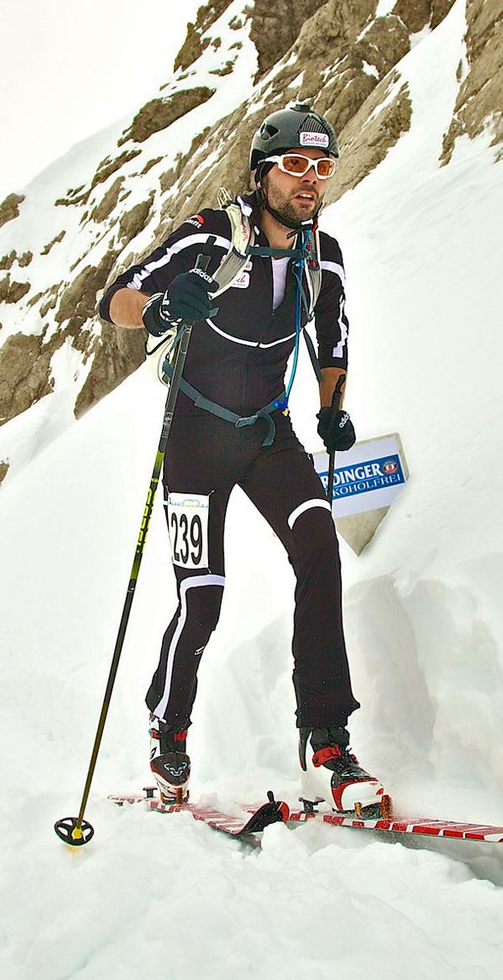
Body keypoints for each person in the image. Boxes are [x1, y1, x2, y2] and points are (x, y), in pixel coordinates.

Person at [97, 103, 386, 817]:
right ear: (263, 174)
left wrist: (332, 408)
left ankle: (329, 740)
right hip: (196, 437)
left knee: (318, 546)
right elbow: (116, 299)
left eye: (322, 167)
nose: (310, 180)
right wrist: (162, 310)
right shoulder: (211, 235)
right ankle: (169, 733)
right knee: (202, 597)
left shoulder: (323, 256)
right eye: (295, 165)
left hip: (266, 433)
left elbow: (334, 339)